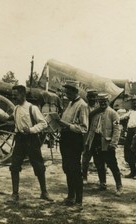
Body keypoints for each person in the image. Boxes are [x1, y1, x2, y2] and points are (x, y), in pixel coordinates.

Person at [8, 85, 53, 204]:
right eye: (12, 95)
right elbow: (13, 120)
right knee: (14, 166)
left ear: (23, 95)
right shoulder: (16, 108)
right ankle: (14, 194)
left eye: (15, 95)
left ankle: (44, 192)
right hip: (20, 140)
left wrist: (31, 130)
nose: (13, 97)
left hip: (31, 140)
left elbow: (43, 123)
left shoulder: (32, 108)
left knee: (38, 166)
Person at [58, 80, 89, 210]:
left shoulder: (82, 105)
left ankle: (79, 200)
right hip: (65, 139)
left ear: (75, 91)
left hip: (74, 140)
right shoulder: (70, 103)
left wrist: (66, 125)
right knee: (67, 168)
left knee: (75, 170)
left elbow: (84, 128)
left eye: (68, 91)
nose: (66, 93)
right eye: (65, 91)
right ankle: (71, 196)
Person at [85, 93, 123, 196]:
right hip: (96, 142)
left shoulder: (113, 114)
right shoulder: (96, 113)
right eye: (100, 102)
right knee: (99, 163)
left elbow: (117, 130)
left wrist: (113, 143)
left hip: (107, 143)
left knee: (112, 165)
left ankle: (119, 186)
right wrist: (88, 142)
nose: (102, 104)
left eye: (104, 102)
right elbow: (91, 129)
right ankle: (103, 183)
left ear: (108, 102)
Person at [120, 95, 136, 179]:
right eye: (134, 103)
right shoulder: (130, 112)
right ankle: (132, 171)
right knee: (128, 151)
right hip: (130, 132)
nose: (135, 104)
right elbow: (121, 117)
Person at [82, 89, 99, 184]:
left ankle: (102, 180)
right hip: (87, 135)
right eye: (90, 97)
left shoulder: (100, 107)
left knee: (99, 158)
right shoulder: (84, 107)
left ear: (97, 98)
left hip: (97, 135)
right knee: (86, 157)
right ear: (87, 98)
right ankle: (84, 176)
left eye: (94, 97)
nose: (92, 99)